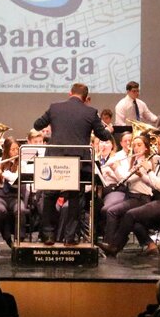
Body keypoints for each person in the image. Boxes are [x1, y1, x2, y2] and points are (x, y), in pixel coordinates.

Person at [33, 83, 112, 244]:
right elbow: (103, 136)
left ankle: (48, 235)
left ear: (70, 93)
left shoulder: (55, 108)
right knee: (75, 197)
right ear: (86, 98)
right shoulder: (91, 112)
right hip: (78, 160)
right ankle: (70, 237)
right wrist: (108, 129)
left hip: (55, 158)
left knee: (49, 195)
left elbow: (37, 125)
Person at [99, 133, 160, 257]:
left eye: (159, 144)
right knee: (134, 220)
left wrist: (149, 170)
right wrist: (142, 175)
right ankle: (150, 245)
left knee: (130, 214)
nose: (157, 147)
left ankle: (114, 247)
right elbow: (153, 184)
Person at [0, 137, 26, 247]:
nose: (15, 152)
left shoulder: (22, 164)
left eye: (17, 149)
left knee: (21, 210)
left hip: (15, 195)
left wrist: (1, 172)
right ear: (6, 151)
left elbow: (15, 178)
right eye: (12, 149)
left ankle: (19, 240)